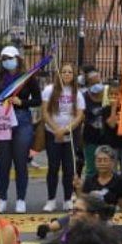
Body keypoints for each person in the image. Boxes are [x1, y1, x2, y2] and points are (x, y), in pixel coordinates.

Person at [0, 45, 42, 214]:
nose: (8, 61)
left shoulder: (28, 78)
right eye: (4, 59)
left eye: (10, 58)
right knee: (4, 164)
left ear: (17, 59)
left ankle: (21, 199)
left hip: (22, 121)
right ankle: (2, 199)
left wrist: (22, 103)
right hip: (2, 122)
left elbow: (38, 100)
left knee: (21, 162)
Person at [41, 62, 85, 213]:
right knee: (53, 167)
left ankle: (67, 199)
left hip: (70, 135)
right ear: (59, 73)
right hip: (52, 133)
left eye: (70, 72)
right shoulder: (49, 90)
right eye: (64, 72)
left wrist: (66, 129)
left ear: (74, 76)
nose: (66, 74)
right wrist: (56, 129)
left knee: (69, 168)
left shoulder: (77, 93)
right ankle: (51, 200)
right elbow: (45, 113)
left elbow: (79, 115)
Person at [78, 145, 122, 226]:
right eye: (99, 160)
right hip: (89, 221)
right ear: (95, 162)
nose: (102, 163)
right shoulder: (89, 180)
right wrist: (78, 189)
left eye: (105, 160)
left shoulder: (119, 181)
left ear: (112, 163)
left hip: (108, 221)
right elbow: (82, 203)